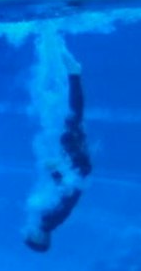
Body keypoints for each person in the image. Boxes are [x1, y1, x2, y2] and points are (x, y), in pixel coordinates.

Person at [24, 37, 91, 253]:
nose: (28, 232)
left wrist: (57, 172)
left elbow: (63, 195)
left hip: (76, 168)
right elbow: (69, 194)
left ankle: (73, 74)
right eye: (32, 237)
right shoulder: (49, 222)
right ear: (41, 239)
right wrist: (56, 172)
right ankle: (74, 73)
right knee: (73, 120)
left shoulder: (48, 222)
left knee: (71, 122)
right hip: (77, 168)